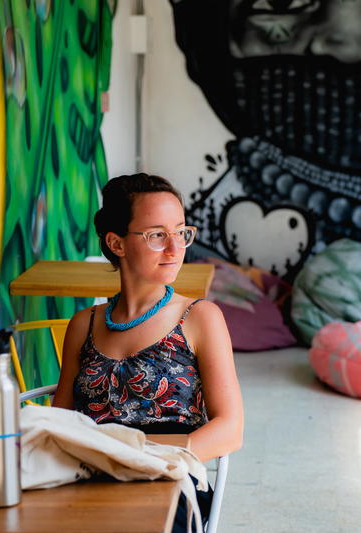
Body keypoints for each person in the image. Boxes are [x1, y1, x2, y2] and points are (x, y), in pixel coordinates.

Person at [53, 173, 244, 532]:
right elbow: (60, 424)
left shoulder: (200, 318)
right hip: (91, 479)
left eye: (181, 232)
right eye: (157, 235)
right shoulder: (84, 324)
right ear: (117, 243)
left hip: (168, 480)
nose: (175, 248)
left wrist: (137, 455)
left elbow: (229, 430)